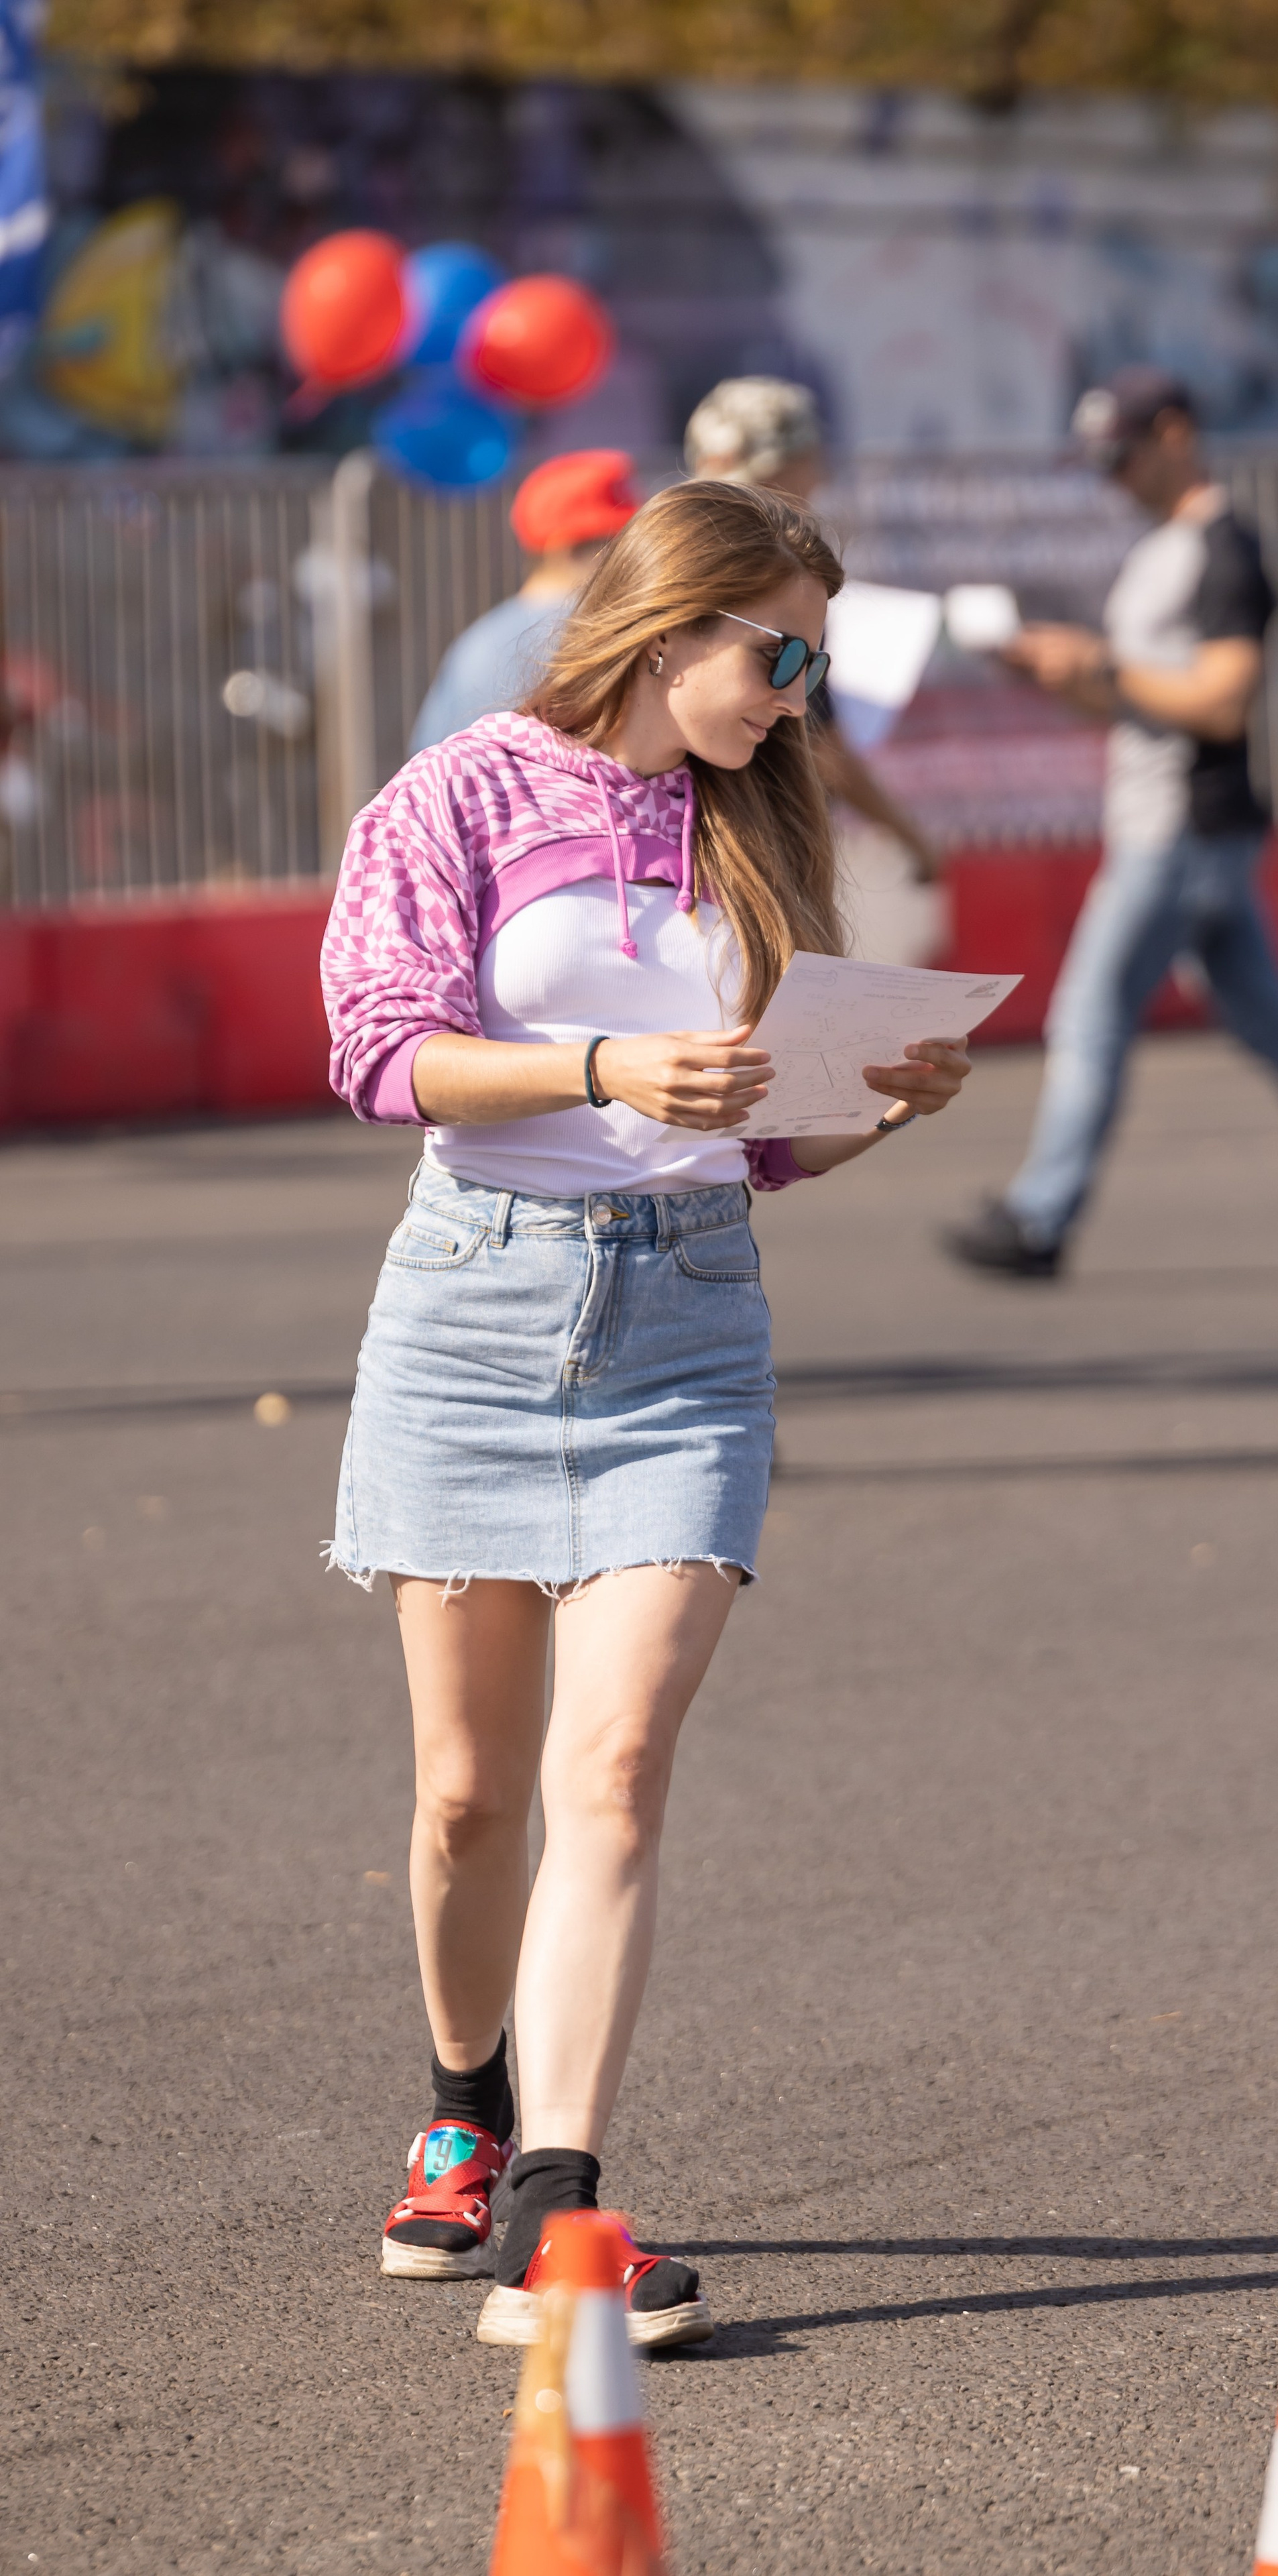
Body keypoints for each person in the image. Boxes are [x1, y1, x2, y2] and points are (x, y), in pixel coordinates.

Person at [321, 478, 971, 2352]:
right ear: (669, 619)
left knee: (610, 1773)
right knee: (463, 1798)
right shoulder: (456, 793)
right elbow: (379, 1048)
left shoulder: (753, 827)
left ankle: (558, 2209)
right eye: (778, 655)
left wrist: (884, 1099)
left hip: (687, 1317)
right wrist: (605, 1059)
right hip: (473, 1305)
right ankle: (465, 2110)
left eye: (815, 666)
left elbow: (762, 1134)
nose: (796, 697)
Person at [945, 370, 1278, 1278]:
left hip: (1181, 824)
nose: (1113, 477)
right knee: (1270, 1021)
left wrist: (1097, 663)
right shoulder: (1163, 549)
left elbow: (1222, 703)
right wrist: (1061, 673)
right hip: (1175, 819)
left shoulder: (1225, 548)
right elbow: (1141, 701)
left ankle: (1040, 1216)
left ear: (1175, 433)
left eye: (1122, 456)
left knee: (1091, 1018)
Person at [683, 375, 942, 885]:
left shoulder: (672, 558)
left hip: (678, 838)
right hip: (749, 845)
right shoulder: (778, 579)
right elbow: (817, 741)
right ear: (797, 466)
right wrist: (910, 837)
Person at [407, 449, 640, 753]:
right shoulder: (605, 629)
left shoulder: (475, 641)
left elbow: (424, 758)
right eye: (616, 545)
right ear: (566, 549)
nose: (635, 560)